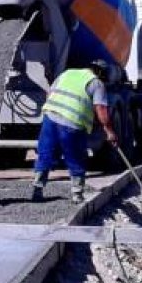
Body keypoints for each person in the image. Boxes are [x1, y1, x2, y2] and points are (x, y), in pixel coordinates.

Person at [31, 60, 119, 204]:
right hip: (72, 123)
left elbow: (49, 94)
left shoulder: (67, 73)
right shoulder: (96, 83)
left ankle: (37, 189)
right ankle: (77, 195)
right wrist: (109, 131)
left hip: (50, 118)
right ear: (100, 72)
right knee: (75, 157)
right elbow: (101, 110)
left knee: (45, 153)